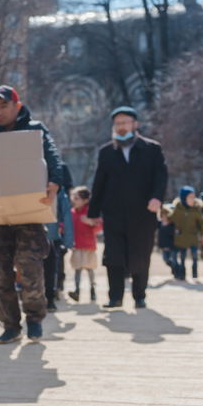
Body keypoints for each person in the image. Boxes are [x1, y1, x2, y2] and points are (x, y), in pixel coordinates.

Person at [0, 85, 67, 343]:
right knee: (0, 271)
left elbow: (53, 157)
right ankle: (10, 325)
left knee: (30, 268)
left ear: (17, 106)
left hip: (29, 212)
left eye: (3, 106)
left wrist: (55, 181)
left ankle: (35, 319)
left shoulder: (34, 130)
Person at [85, 106, 168, 309]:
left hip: (143, 212)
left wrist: (157, 198)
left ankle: (140, 296)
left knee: (141, 253)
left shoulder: (151, 149)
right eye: (118, 124)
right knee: (114, 255)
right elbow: (99, 182)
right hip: (114, 213)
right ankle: (115, 297)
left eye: (125, 122)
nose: (121, 127)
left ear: (135, 124)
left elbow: (161, 176)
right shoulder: (106, 152)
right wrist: (93, 212)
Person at [43, 164, 74, 311]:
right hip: (49, 235)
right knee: (51, 268)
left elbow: (67, 216)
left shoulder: (59, 190)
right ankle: (50, 297)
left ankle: (50, 296)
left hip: (51, 235)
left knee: (50, 268)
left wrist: (68, 240)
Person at [67, 186, 102, 302]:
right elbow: (67, 227)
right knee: (77, 269)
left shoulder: (90, 212)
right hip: (76, 246)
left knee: (89, 269)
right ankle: (77, 291)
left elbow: (99, 226)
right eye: (73, 198)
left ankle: (92, 290)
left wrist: (91, 222)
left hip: (88, 246)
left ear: (85, 200)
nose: (74, 201)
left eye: (76, 198)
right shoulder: (71, 213)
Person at [169, 186, 203, 280]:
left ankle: (195, 273)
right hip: (181, 238)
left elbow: (202, 224)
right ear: (184, 198)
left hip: (193, 237)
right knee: (182, 256)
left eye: (194, 197)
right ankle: (182, 274)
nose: (193, 199)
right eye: (190, 197)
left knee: (194, 256)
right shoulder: (178, 209)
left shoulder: (196, 210)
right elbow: (171, 220)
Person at [157, 204, 177, 276]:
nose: (164, 217)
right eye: (162, 215)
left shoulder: (172, 225)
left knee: (174, 260)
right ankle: (174, 268)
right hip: (163, 246)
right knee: (166, 260)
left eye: (165, 215)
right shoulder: (159, 224)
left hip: (171, 246)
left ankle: (176, 271)